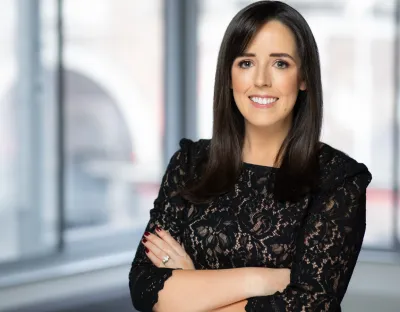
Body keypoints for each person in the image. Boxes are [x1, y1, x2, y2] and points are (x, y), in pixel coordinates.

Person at [128, 1, 372, 311]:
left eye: (280, 63)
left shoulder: (338, 180)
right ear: (229, 75)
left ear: (304, 77)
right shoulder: (190, 164)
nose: (261, 80)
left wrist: (194, 288)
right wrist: (265, 280)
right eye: (246, 63)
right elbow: (144, 286)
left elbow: (309, 306)